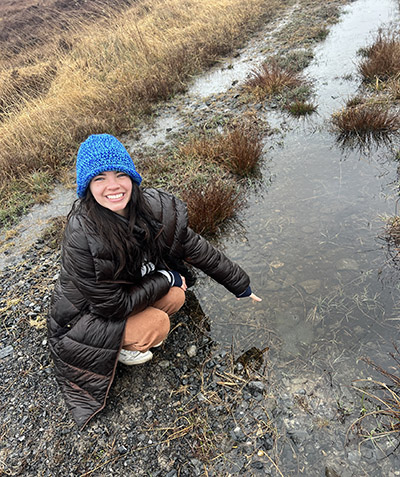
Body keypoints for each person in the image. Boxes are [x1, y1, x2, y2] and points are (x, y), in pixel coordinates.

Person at [48, 133, 261, 429]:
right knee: (158, 325)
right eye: (99, 179)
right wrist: (166, 276)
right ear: (87, 188)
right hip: (84, 319)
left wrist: (240, 285)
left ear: (133, 178)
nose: (113, 186)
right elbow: (111, 305)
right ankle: (122, 349)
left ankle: (135, 328)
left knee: (176, 296)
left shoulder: (153, 209)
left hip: (124, 294)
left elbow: (198, 249)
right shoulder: (82, 233)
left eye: (120, 174)